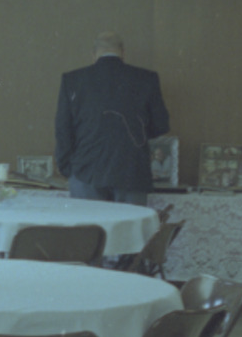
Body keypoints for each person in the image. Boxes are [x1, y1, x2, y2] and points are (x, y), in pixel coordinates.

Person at [54, 31, 170, 206]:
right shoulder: (147, 78)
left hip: (86, 171)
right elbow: (161, 125)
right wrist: (134, 134)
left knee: (89, 224)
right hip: (131, 170)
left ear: (93, 54)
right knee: (130, 224)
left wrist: (67, 168)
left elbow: (63, 128)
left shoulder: (72, 80)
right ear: (123, 52)